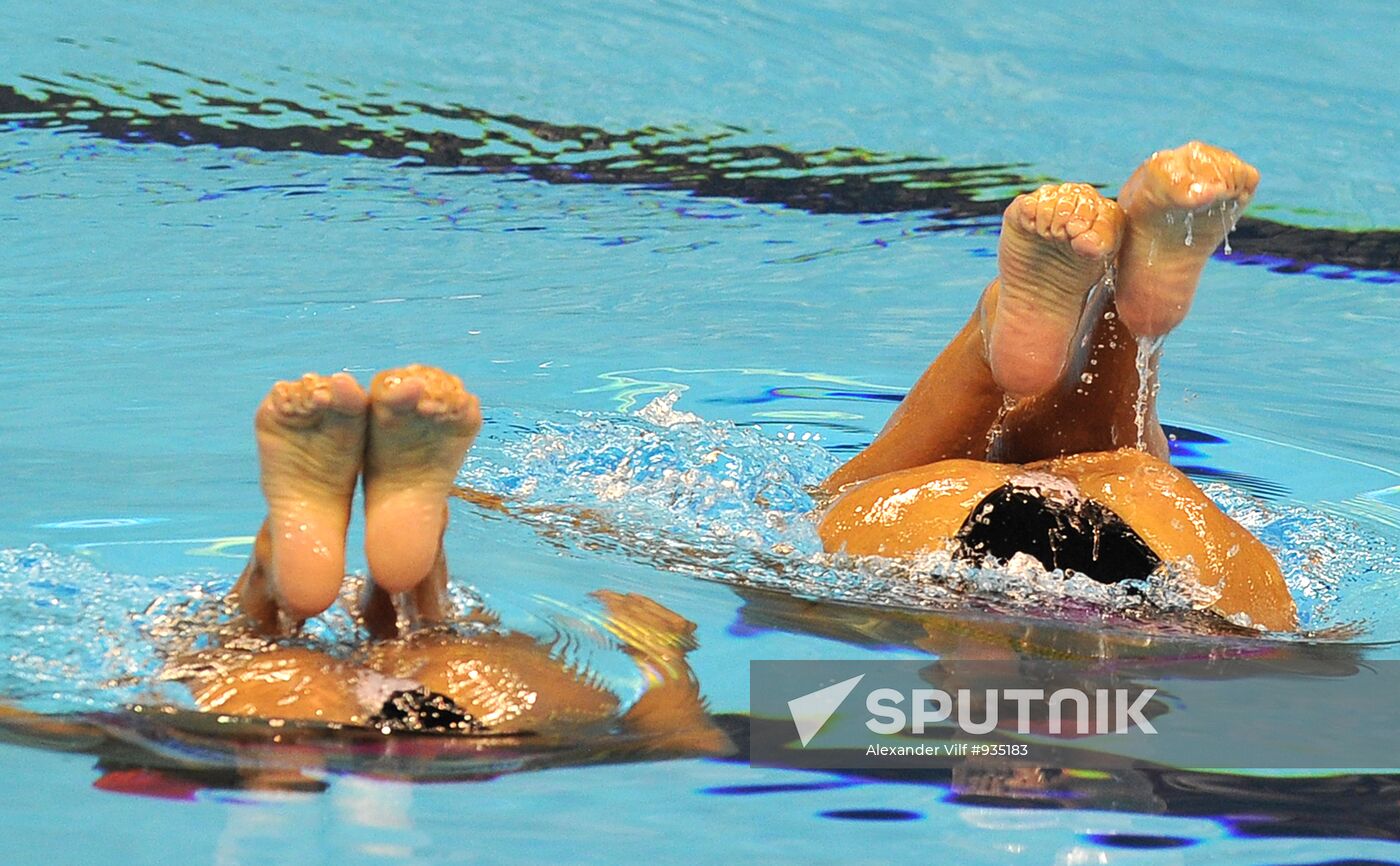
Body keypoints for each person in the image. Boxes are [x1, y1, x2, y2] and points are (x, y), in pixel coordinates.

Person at [815, 141, 1296, 630]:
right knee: (1116, 466)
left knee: (1117, 466)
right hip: (1142, 567)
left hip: (999, 551)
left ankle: (1021, 335)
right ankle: (1116, 310)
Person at [185, 365, 726, 754]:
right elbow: (689, 737)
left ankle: (273, 575)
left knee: (239, 649)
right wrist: (662, 656)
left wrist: (661, 663)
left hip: (276, 725)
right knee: (439, 646)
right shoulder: (810, 706)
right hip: (473, 721)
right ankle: (412, 586)